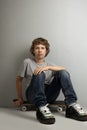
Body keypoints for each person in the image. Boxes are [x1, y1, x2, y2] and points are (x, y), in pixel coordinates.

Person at [15, 37, 87, 124]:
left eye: (42, 48)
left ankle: (71, 105)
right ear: (33, 50)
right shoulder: (27, 62)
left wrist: (47, 67)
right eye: (37, 48)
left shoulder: (50, 64)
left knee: (63, 73)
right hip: (33, 95)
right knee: (39, 73)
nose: (40, 50)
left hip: (49, 95)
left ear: (46, 51)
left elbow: (64, 69)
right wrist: (20, 98)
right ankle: (41, 108)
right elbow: (19, 80)